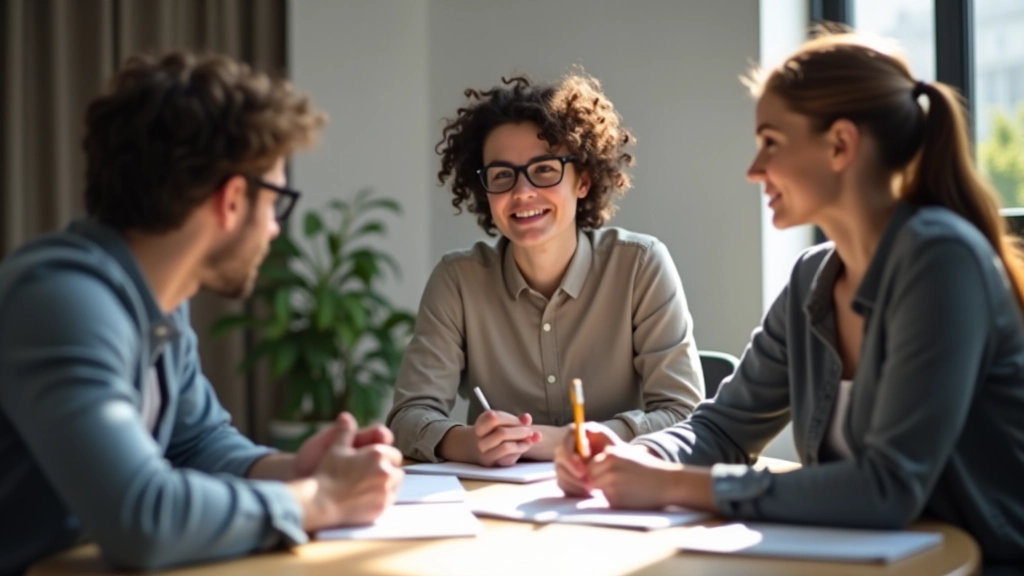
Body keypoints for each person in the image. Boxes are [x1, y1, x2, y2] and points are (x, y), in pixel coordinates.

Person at [555, 31, 1024, 570]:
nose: (755, 169)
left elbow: (888, 488)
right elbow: (722, 428)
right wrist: (634, 455)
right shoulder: (812, 278)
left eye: (772, 142)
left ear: (840, 145)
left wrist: (677, 485)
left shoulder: (941, 261)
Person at [0, 52, 404, 574]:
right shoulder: (60, 300)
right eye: (275, 202)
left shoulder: (159, 300)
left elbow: (196, 442)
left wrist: (290, 469)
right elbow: (141, 518)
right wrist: (320, 498)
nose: (275, 228)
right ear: (232, 199)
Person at [387, 74, 704, 466]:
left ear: (583, 180)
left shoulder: (641, 265)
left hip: (617, 490)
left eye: (544, 169)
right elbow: (408, 416)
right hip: (492, 497)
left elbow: (685, 416)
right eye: (502, 175)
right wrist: (467, 442)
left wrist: (567, 441)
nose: (522, 192)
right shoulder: (457, 281)